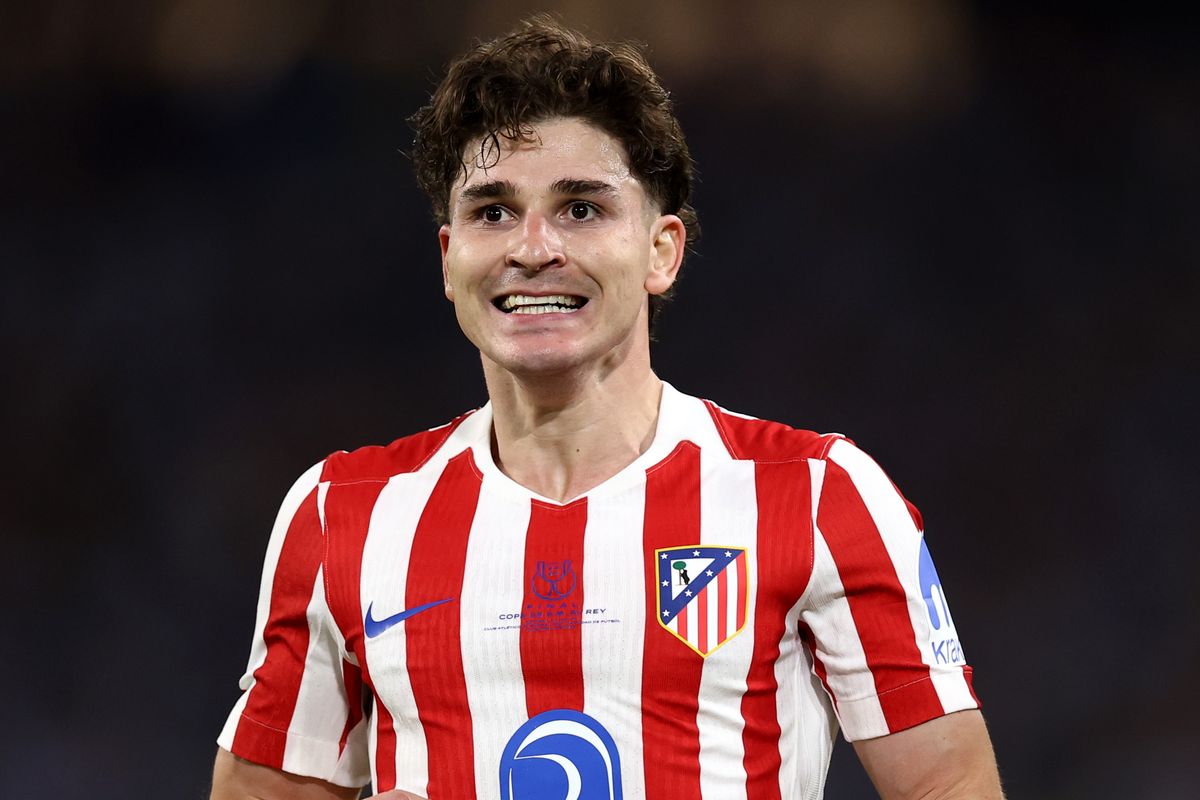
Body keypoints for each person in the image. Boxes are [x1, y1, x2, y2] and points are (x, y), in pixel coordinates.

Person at [209, 16, 1003, 800]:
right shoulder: (341, 514)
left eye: (580, 209)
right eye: (492, 211)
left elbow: (949, 784)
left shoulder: (818, 494)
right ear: (449, 260)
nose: (532, 247)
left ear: (662, 250)